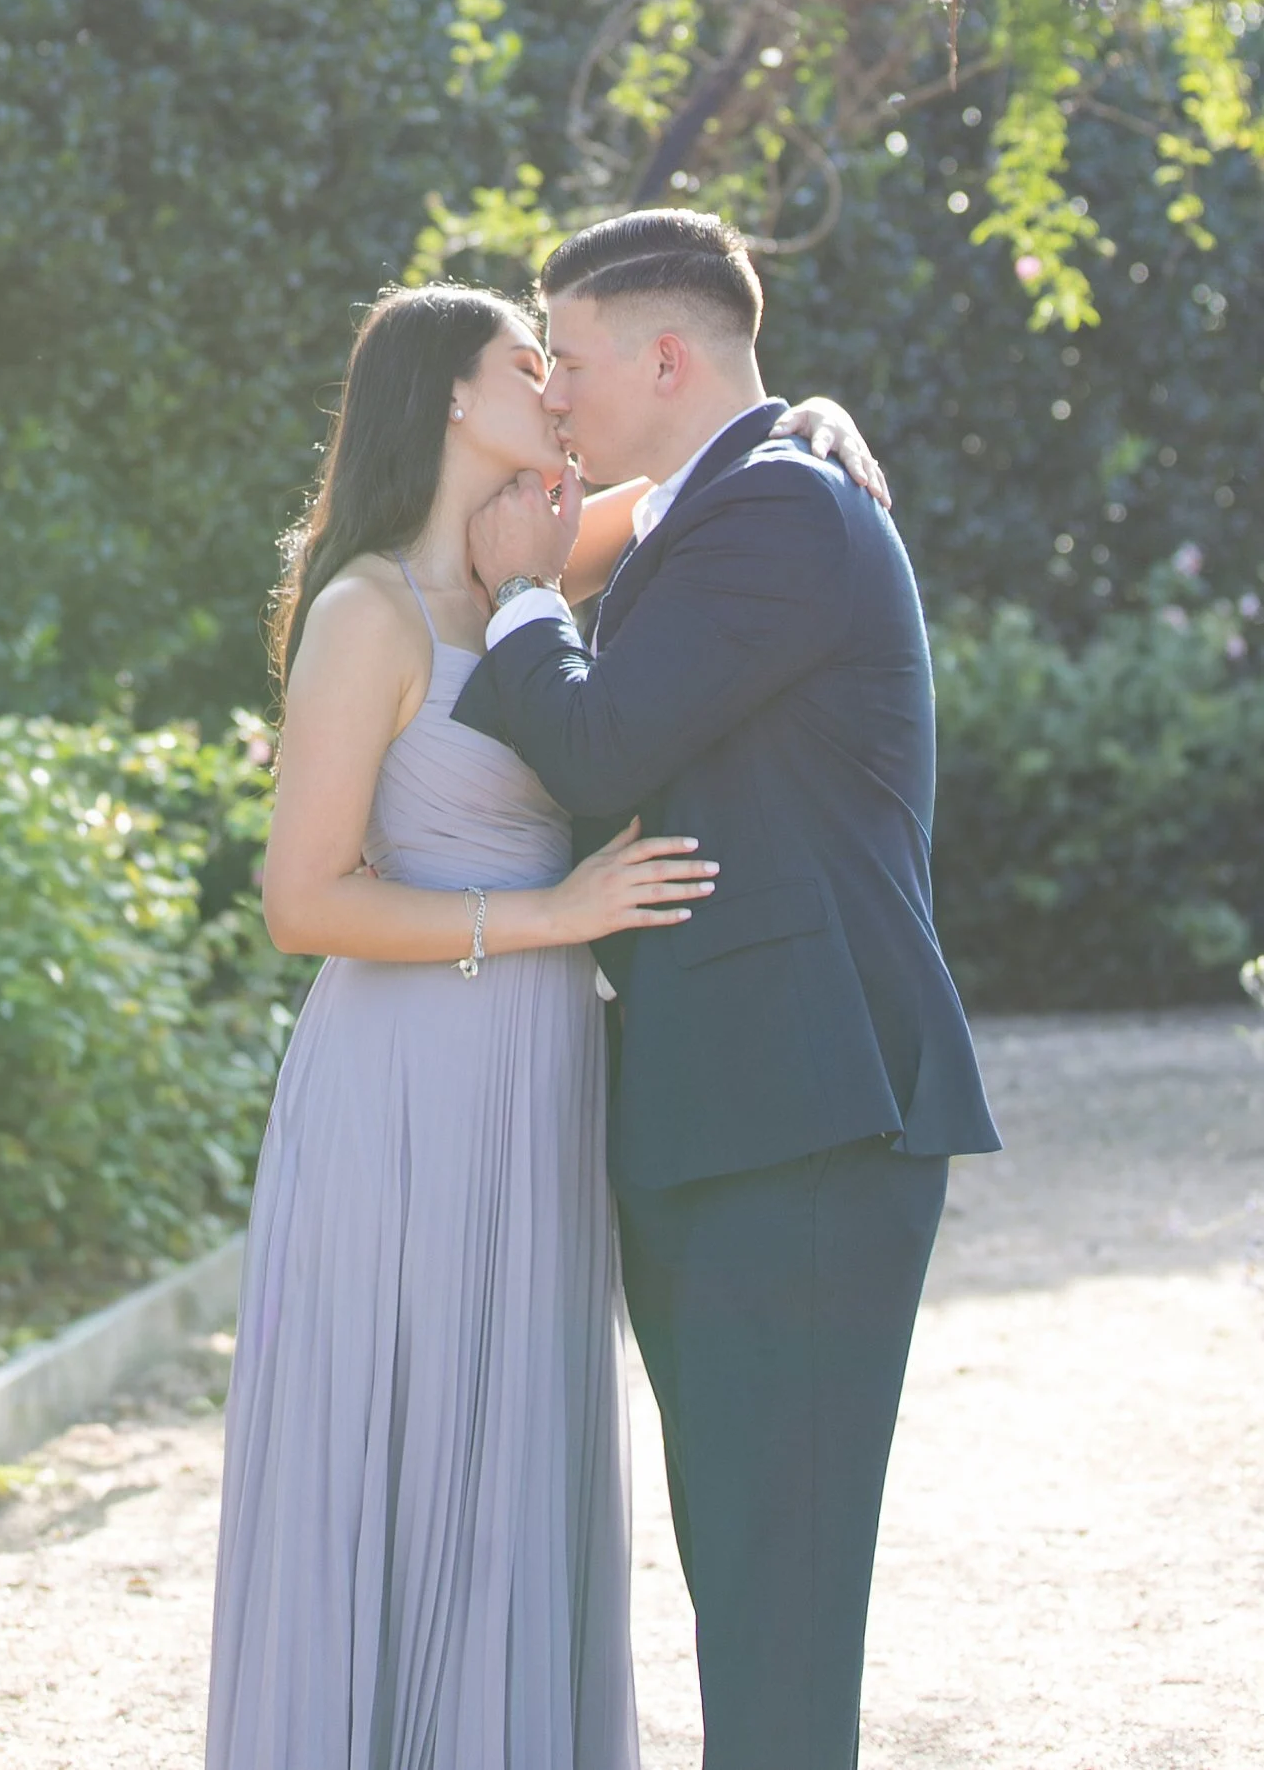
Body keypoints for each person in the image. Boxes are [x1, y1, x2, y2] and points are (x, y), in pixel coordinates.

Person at [205, 278, 886, 1770]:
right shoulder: (367, 608)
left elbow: (721, 474)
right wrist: (553, 917)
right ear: (456, 395)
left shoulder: (538, 554)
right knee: (408, 1438)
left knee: (517, 1447)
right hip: (410, 1080)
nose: (560, 391)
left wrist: (821, 417)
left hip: (545, 1079)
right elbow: (301, 901)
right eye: (532, 364)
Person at [455, 208, 1000, 1770]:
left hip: (802, 1120)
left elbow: (599, 745)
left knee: (778, 1593)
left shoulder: (778, 506)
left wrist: (523, 595)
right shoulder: (732, 499)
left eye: (567, 359)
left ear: (665, 358)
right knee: (753, 1580)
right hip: (737, 1114)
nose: (552, 392)